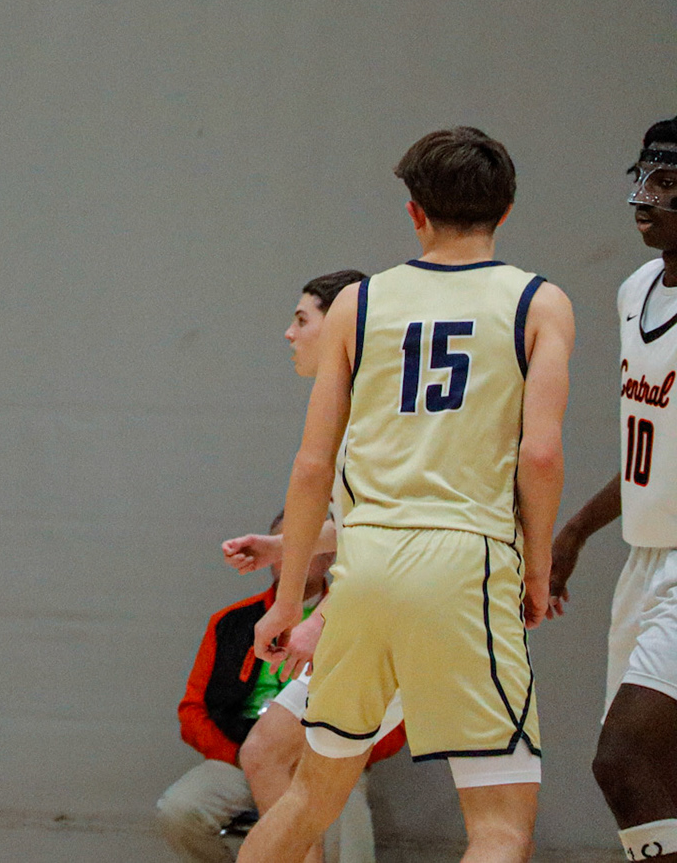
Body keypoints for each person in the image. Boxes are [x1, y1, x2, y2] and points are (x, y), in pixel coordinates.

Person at [240, 128, 575, 863]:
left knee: (307, 796)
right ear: (507, 210)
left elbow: (312, 465)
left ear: (414, 212)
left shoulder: (359, 304)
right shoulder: (539, 302)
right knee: (498, 826)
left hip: (363, 568)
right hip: (466, 563)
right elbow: (541, 454)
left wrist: (288, 601)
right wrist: (539, 569)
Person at [213, 270, 407, 863]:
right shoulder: (356, 404)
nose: (289, 333)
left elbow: (394, 534)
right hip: (388, 601)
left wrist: (319, 617)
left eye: (302, 320)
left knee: (497, 808)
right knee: (270, 755)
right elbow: (364, 523)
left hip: (401, 608)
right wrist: (280, 548)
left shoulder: (379, 412)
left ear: (344, 322)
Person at [549, 116, 677, 861]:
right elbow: (648, 450)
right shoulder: (636, 290)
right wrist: (575, 531)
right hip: (645, 559)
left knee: (622, 759)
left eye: (667, 183)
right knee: (656, 773)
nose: (644, 198)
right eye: (643, 178)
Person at [162, 511, 351, 863]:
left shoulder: (354, 620)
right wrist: (239, 754)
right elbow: (192, 711)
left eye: (302, 546)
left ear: (331, 555)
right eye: (282, 546)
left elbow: (388, 715)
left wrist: (347, 754)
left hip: (326, 758)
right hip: (241, 753)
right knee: (179, 809)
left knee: (348, 827)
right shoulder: (231, 622)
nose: (290, 558)